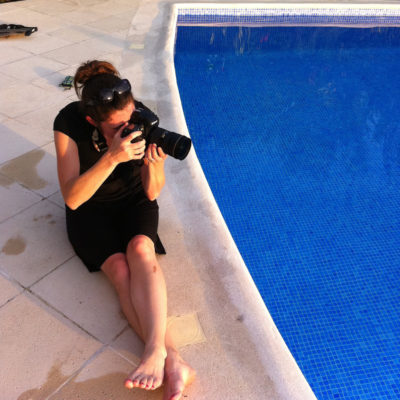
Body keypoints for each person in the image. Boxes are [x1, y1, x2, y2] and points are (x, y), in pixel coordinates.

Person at [53, 60, 195, 399]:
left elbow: (151, 192)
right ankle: (172, 359)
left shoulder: (141, 118)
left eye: (131, 118)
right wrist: (112, 157)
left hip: (133, 200)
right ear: (92, 120)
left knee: (142, 251)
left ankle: (155, 352)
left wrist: (155, 164)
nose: (129, 127)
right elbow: (72, 197)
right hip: (89, 209)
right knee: (118, 269)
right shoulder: (68, 123)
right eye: (118, 126)